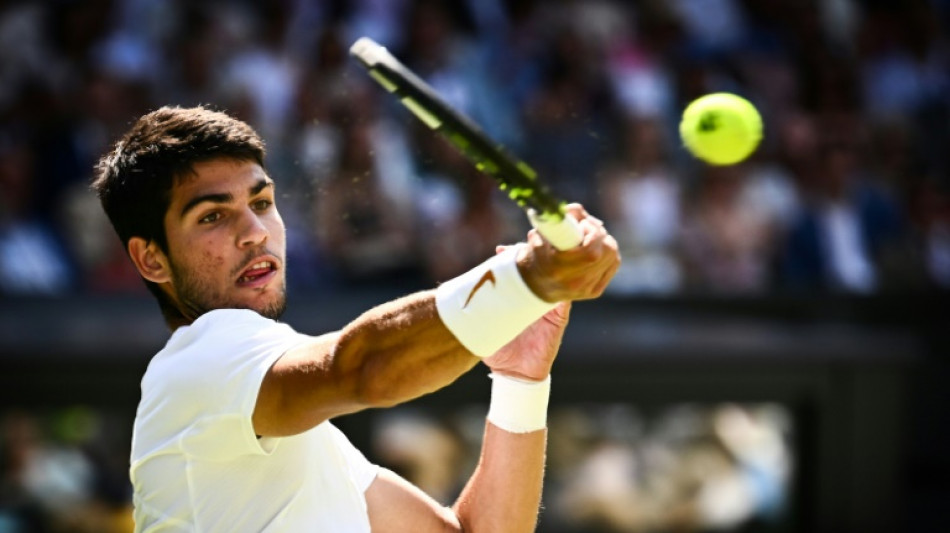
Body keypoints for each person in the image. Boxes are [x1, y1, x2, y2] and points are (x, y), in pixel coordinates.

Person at [91, 105, 620, 532]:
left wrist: (519, 378)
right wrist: (525, 280)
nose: (254, 232)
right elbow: (360, 367)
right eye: (212, 216)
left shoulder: (308, 450)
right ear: (150, 259)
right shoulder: (198, 361)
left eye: (262, 202)